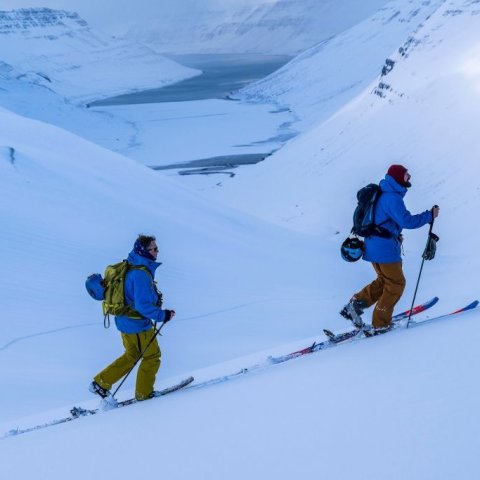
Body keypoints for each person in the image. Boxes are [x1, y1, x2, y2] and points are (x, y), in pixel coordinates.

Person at [341, 165, 440, 334]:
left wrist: (393, 234)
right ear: (398, 177)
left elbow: (385, 221)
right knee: (396, 284)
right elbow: (407, 221)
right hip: (384, 250)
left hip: (374, 246)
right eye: (406, 175)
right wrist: (429, 215)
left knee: (384, 280)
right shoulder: (392, 198)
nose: (409, 177)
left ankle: (356, 304)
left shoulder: (383, 193)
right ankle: (381, 324)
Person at [90, 235, 175, 400]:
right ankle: (143, 394)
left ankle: (101, 383)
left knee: (132, 354)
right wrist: (162, 315)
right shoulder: (140, 274)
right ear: (145, 251)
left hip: (123, 321)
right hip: (137, 324)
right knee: (151, 356)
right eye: (154, 248)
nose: (157, 251)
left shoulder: (129, 265)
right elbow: (143, 306)